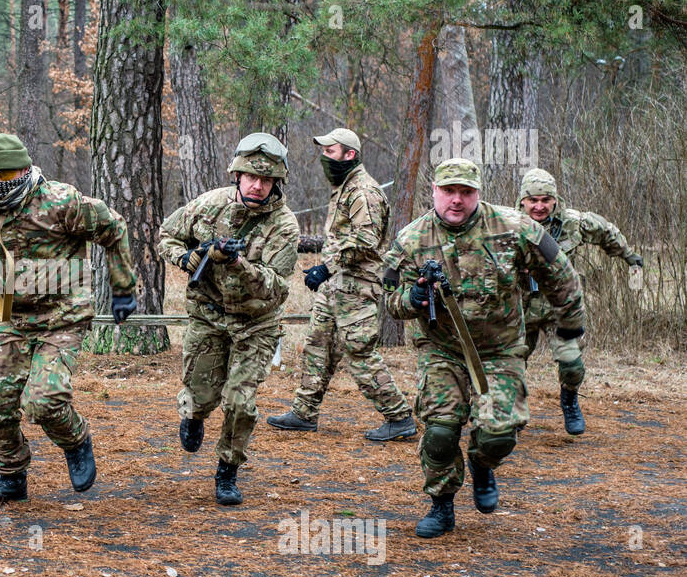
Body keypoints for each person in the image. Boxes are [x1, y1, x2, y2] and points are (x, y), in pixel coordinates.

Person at [382, 159, 585, 538]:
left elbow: (561, 274)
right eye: (449, 191)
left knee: (498, 435)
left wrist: (571, 326)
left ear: (479, 193)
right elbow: (389, 299)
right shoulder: (411, 239)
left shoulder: (515, 228)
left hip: (500, 350)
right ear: (434, 192)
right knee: (441, 433)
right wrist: (411, 299)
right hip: (442, 350)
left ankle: (481, 463)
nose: (456, 200)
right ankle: (441, 505)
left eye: (466, 192)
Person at [0, 133, 137, 507]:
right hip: (13, 318)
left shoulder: (62, 200)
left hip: (63, 316)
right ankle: (11, 476)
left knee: (43, 401)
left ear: (29, 168)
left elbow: (114, 227)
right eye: (2, 176)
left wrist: (123, 287)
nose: (11, 181)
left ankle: (76, 440)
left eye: (18, 173)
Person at [158, 132, 300, 505]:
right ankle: (193, 415)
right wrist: (188, 259)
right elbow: (167, 235)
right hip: (207, 316)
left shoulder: (284, 226)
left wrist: (238, 264)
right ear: (236, 176)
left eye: (266, 180)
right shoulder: (209, 205)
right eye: (251, 177)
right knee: (202, 396)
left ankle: (227, 471)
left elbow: (276, 287)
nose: (257, 185)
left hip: (257, 324)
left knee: (240, 402)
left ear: (276, 183)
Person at [267, 127, 414, 441]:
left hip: (358, 286)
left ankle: (398, 416)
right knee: (317, 344)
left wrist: (326, 266)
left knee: (359, 352)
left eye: (329, 152)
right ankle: (304, 412)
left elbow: (366, 239)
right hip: (338, 284)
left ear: (350, 154)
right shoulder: (344, 187)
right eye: (323, 151)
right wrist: (328, 270)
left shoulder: (364, 191)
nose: (324, 157)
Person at [516, 167, 642, 435]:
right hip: (518, 310)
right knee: (509, 365)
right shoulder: (505, 225)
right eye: (533, 200)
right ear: (522, 201)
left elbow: (606, 231)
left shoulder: (574, 222)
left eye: (545, 200)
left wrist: (629, 256)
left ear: (555, 200)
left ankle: (570, 401)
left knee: (572, 365)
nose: (539, 206)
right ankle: (510, 414)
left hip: (558, 309)